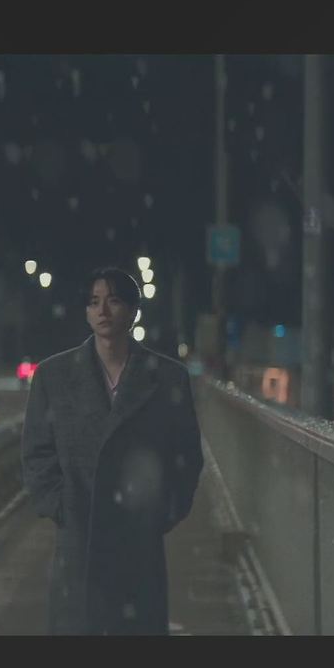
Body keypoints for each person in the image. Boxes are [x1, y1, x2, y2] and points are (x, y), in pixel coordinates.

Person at [21, 266, 204, 635]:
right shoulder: (54, 376)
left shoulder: (167, 377)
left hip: (138, 540)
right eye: (93, 302)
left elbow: (186, 456)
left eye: (114, 300)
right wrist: (61, 505)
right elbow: (37, 452)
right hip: (80, 539)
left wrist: (161, 513)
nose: (102, 311)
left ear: (133, 310)